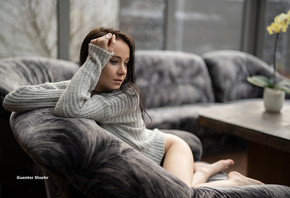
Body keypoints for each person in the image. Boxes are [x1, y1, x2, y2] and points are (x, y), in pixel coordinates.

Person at [3, 27, 263, 187]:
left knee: (185, 195)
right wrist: (82, 76)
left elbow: (70, 109)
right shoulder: (76, 88)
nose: (122, 71)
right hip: (148, 154)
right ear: (92, 60)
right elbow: (12, 99)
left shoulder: (126, 97)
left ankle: (230, 178)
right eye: (113, 60)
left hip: (168, 149)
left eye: (126, 62)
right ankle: (202, 169)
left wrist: (80, 81)